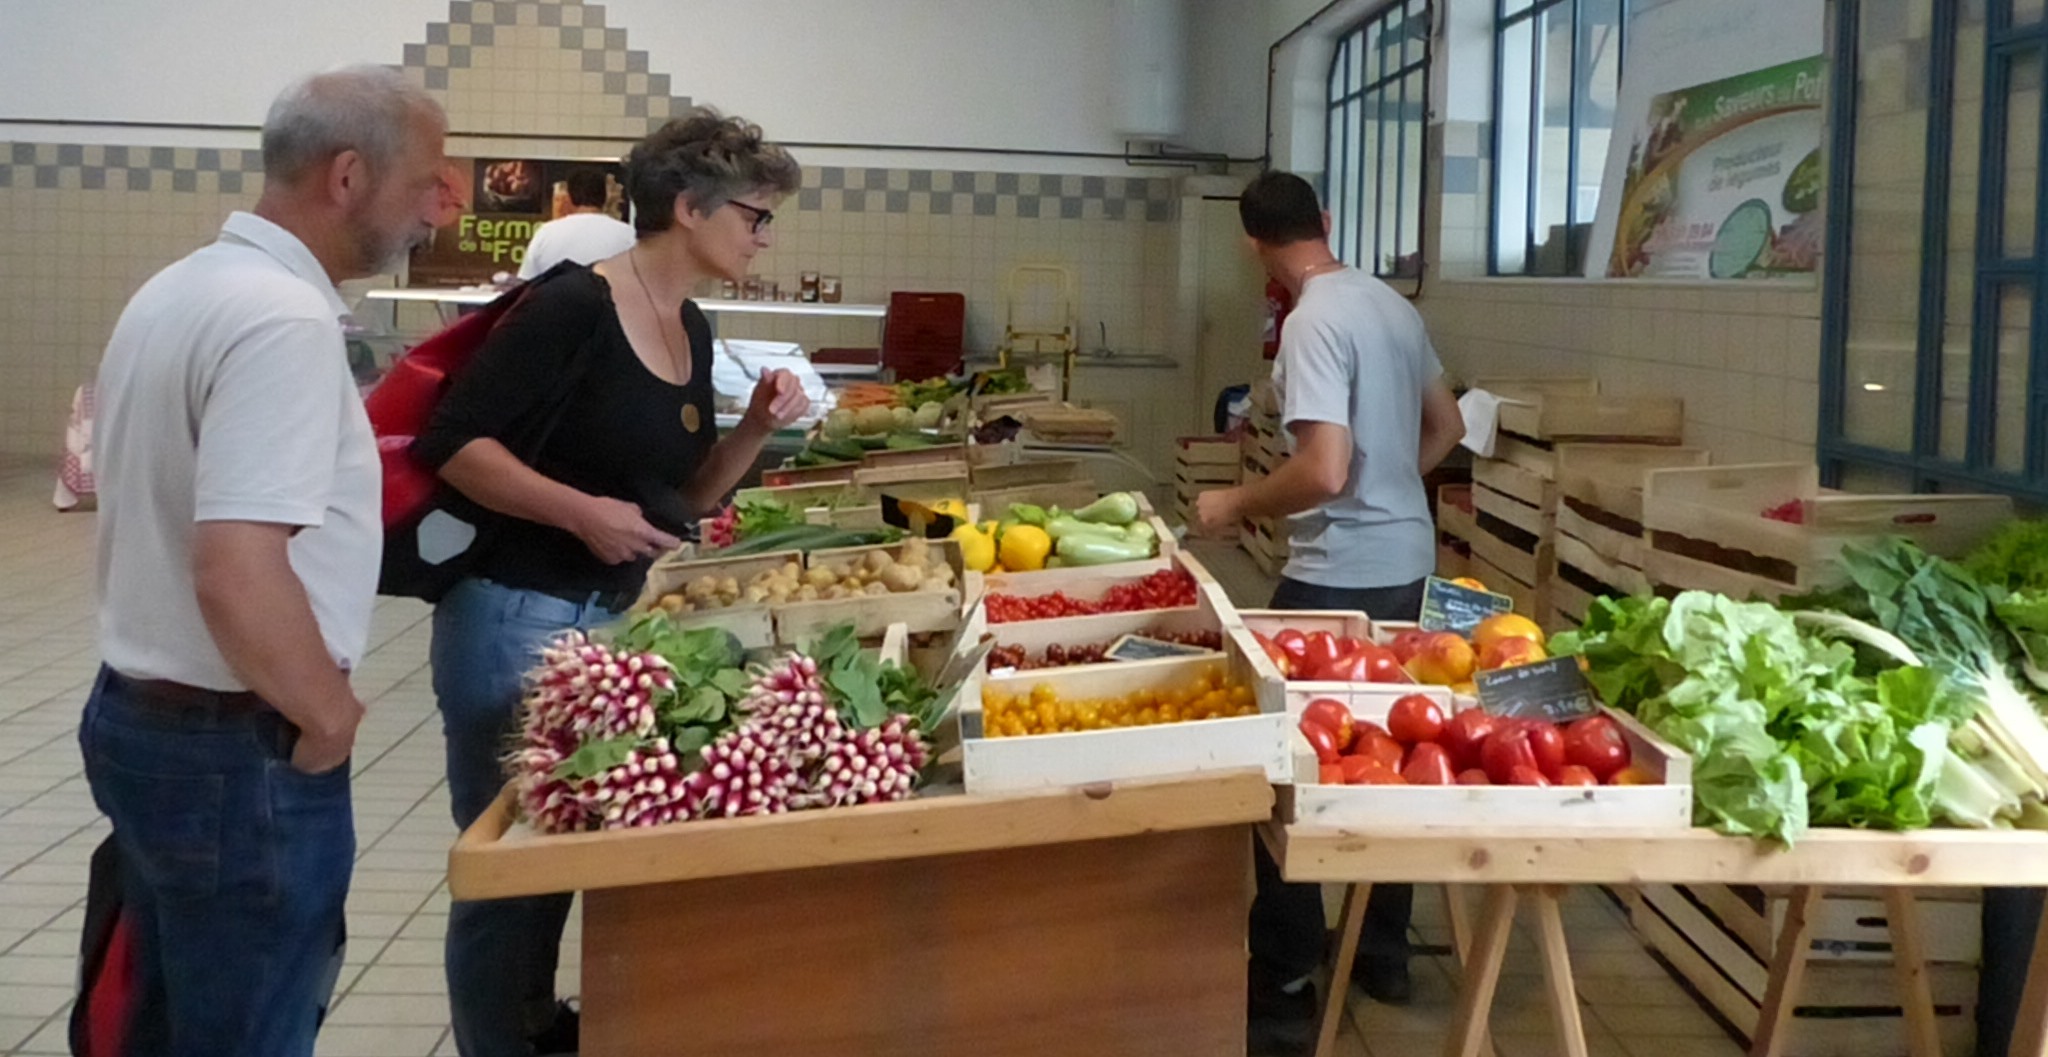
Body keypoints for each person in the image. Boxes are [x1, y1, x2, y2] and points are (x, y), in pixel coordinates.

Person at [414, 107, 809, 1057]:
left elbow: (678, 497)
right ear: (688, 206)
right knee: (512, 865)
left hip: (601, 621)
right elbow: (453, 446)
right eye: (756, 215)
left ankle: (537, 1023)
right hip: (512, 615)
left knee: (562, 850)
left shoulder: (691, 324)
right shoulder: (573, 308)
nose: (764, 236)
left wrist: (755, 427)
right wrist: (578, 512)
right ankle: (499, 1039)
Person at [80, 66, 447, 1057]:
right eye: (426, 177)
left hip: (140, 712)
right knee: (250, 1026)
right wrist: (326, 712)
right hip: (235, 745)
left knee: (162, 1017)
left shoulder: (182, 286)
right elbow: (237, 562)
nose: (439, 203)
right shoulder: (281, 320)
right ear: (345, 176)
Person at [1196, 170, 1465, 1056]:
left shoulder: (1310, 319)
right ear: (1327, 221)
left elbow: (1321, 469)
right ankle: (1382, 952)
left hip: (1337, 576)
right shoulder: (1389, 305)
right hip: (1411, 566)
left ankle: (1284, 980)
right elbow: (1448, 426)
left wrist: (1232, 508)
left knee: (1287, 771)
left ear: (1251, 245)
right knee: (1396, 756)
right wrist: (1396, 491)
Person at [515, 167, 635, 280]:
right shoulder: (628, 235)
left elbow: (526, 283)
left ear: (570, 197)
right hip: (611, 301)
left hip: (558, 301)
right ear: (604, 197)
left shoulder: (546, 233)